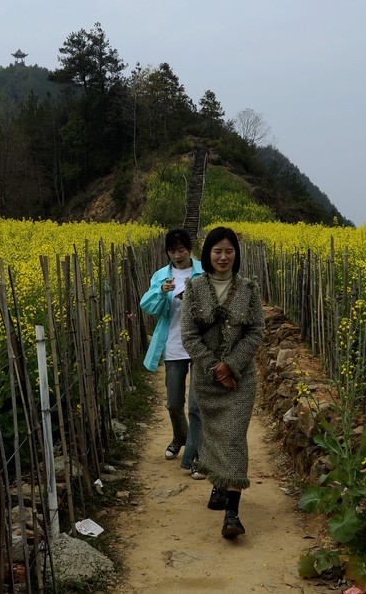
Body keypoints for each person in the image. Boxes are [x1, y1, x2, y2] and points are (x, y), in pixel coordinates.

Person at [181, 226, 265, 538]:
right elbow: (189, 335)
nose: (223, 256)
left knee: (233, 437)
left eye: (229, 251)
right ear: (208, 254)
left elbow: (256, 330)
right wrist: (214, 367)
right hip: (207, 380)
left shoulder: (248, 289)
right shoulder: (194, 287)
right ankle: (219, 483)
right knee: (214, 435)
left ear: (236, 255)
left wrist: (231, 365)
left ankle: (232, 513)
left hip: (240, 380)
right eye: (217, 251)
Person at [140, 228, 206, 477]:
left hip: (200, 345)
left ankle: (198, 456)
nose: (177, 255)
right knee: (174, 403)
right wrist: (161, 292)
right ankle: (181, 437)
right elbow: (148, 307)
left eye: (181, 250)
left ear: (189, 249)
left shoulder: (203, 271)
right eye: (172, 251)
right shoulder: (161, 276)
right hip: (173, 345)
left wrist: (196, 299)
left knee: (197, 406)